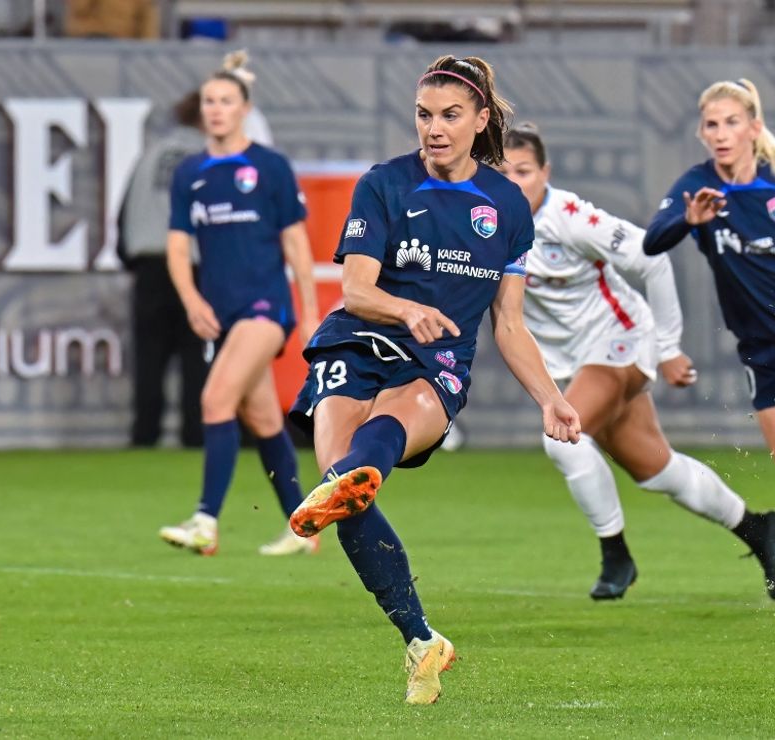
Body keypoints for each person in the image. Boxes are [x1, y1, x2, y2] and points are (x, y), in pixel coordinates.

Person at [285, 55, 580, 705]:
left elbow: (508, 324)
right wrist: (406, 308)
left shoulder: (506, 207)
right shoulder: (385, 185)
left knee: (367, 458)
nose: (435, 128)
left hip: (435, 363)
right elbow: (358, 289)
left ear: (480, 120)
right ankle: (422, 642)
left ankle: (353, 483)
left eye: (450, 115)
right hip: (358, 340)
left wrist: (552, 397)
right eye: (424, 115)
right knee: (347, 490)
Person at [499, 123, 775, 601]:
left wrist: (668, 347)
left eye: (523, 171)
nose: (513, 183)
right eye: (502, 172)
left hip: (619, 343)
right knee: (659, 471)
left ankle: (617, 556)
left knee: (563, 438)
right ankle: (757, 527)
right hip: (567, 364)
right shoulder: (484, 225)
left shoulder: (570, 217)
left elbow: (652, 258)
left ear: (545, 173)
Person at [158, 51, 320, 557]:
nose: (216, 109)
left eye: (227, 100)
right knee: (266, 422)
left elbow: (296, 243)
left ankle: (206, 521)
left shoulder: (269, 167)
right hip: (223, 314)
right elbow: (179, 245)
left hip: (266, 307)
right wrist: (190, 299)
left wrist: (311, 312)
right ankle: (303, 529)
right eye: (209, 100)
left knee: (214, 401)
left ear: (245, 108)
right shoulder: (191, 173)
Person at [644, 79, 775, 531]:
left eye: (731, 122)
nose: (721, 133)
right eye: (711, 125)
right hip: (762, 347)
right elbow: (653, 241)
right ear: (702, 134)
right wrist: (689, 219)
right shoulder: (699, 185)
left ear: (754, 128)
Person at [118, 91, 208, 448]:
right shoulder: (212, 159)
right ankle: (194, 436)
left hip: (151, 265)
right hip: (196, 265)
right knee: (196, 356)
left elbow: (123, 214)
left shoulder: (149, 155)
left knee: (149, 357)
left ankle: (144, 436)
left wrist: (134, 260)